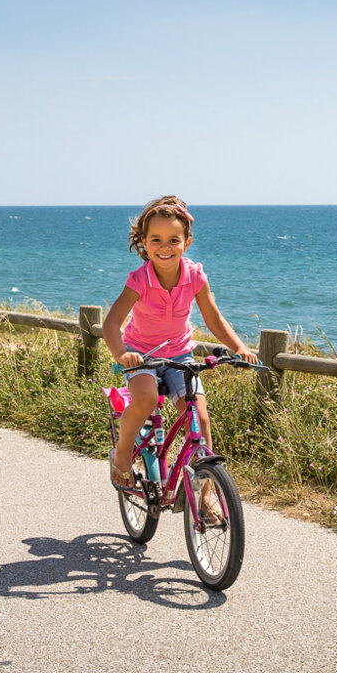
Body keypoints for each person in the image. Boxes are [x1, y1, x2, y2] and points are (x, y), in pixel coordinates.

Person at [101, 195, 258, 498]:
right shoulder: (140, 280)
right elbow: (111, 324)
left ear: (187, 242)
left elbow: (214, 319)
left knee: (199, 414)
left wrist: (239, 347)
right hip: (142, 355)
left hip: (179, 354)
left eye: (174, 240)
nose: (165, 247)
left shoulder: (195, 276)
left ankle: (207, 496)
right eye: (156, 239)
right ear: (144, 243)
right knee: (145, 399)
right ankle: (122, 455)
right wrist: (122, 354)